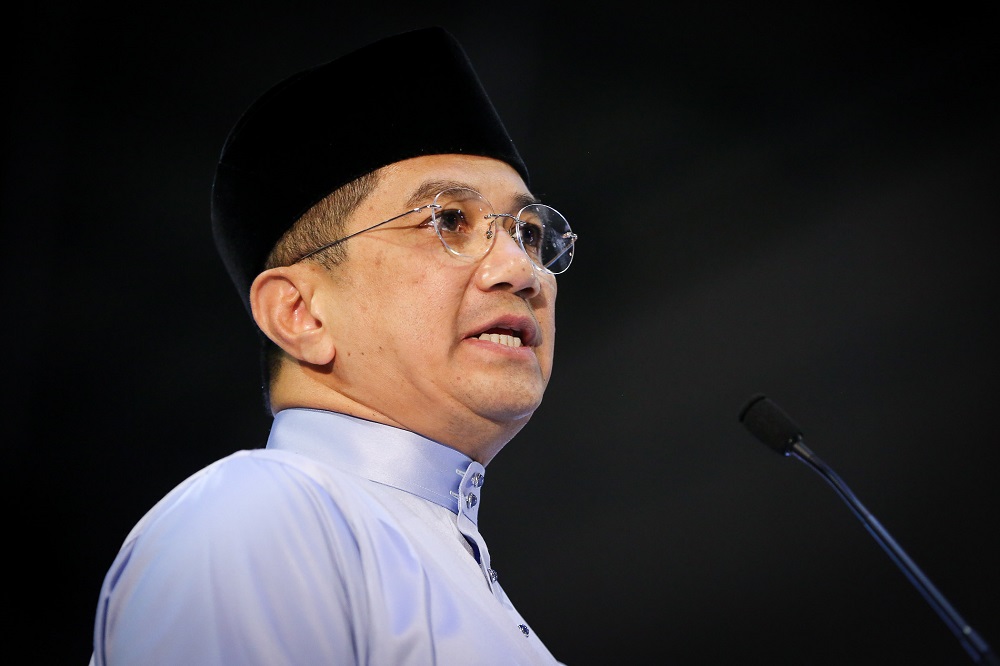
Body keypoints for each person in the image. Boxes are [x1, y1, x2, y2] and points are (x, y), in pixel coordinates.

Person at [90, 25, 577, 665]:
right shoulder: (261, 516)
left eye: (529, 233)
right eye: (448, 221)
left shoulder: (438, 560)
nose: (519, 269)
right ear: (300, 313)